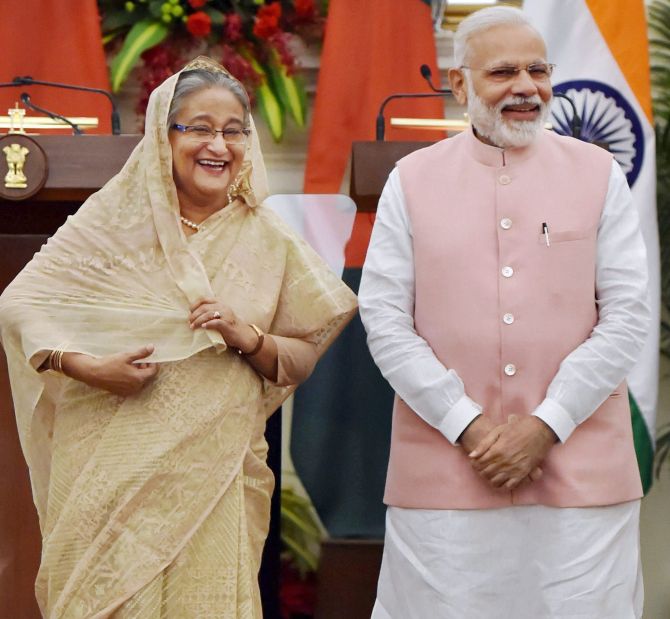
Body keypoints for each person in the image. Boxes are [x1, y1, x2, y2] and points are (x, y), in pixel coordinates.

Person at [0, 56, 356, 617]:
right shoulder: (114, 218)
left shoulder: (267, 237)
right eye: (199, 128)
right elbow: (20, 303)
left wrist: (248, 336)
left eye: (234, 130)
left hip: (212, 484)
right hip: (107, 475)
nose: (219, 145)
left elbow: (303, 355)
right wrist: (89, 368)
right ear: (163, 137)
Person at [359, 7, 650, 618]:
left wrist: (547, 425)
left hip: (582, 474)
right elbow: (385, 319)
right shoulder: (410, 179)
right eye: (503, 71)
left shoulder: (599, 174)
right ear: (460, 84)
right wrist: (467, 424)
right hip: (444, 470)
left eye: (538, 70)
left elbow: (626, 315)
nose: (526, 86)